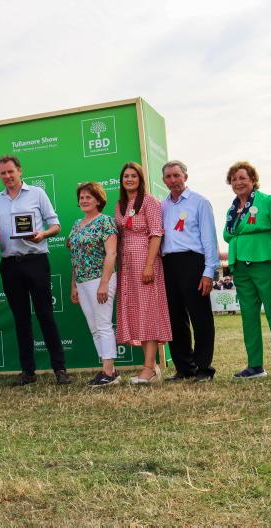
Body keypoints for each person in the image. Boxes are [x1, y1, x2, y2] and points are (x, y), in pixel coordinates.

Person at [0, 154, 71, 386]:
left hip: (36, 261)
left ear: (20, 171)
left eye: (10, 171)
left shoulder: (37, 193)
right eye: (3, 173)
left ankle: (60, 369)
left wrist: (43, 234)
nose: (7, 176)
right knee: (21, 319)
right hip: (10, 264)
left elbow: (56, 225)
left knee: (46, 315)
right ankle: (28, 372)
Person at [222, 161, 271, 379]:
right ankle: (255, 366)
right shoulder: (232, 209)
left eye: (242, 178)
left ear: (253, 180)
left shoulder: (268, 201)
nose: (238, 182)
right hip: (240, 265)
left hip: (266, 260)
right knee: (248, 316)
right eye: (234, 179)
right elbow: (227, 235)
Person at [160, 160, 220, 382]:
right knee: (175, 318)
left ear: (185, 176)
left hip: (193, 262)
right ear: (164, 180)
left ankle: (204, 368)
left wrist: (209, 272)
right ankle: (185, 368)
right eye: (168, 177)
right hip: (168, 263)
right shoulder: (162, 206)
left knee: (200, 317)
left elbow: (209, 239)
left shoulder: (199, 202)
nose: (173, 180)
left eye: (177, 175)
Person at [115, 162, 172, 384]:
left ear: (140, 179)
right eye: (126, 176)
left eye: (133, 176)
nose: (129, 179)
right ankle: (151, 366)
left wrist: (149, 265)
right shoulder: (120, 205)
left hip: (145, 260)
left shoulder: (150, 201)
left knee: (148, 311)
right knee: (136, 311)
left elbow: (156, 233)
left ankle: (148, 368)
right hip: (126, 264)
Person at [67, 182, 119, 387]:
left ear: (98, 200)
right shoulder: (76, 224)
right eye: (81, 197)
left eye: (88, 197)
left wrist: (104, 284)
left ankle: (108, 372)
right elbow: (75, 257)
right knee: (94, 327)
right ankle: (108, 371)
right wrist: (74, 285)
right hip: (82, 282)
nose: (84, 200)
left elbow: (111, 254)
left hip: (100, 279)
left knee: (103, 325)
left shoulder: (105, 221)